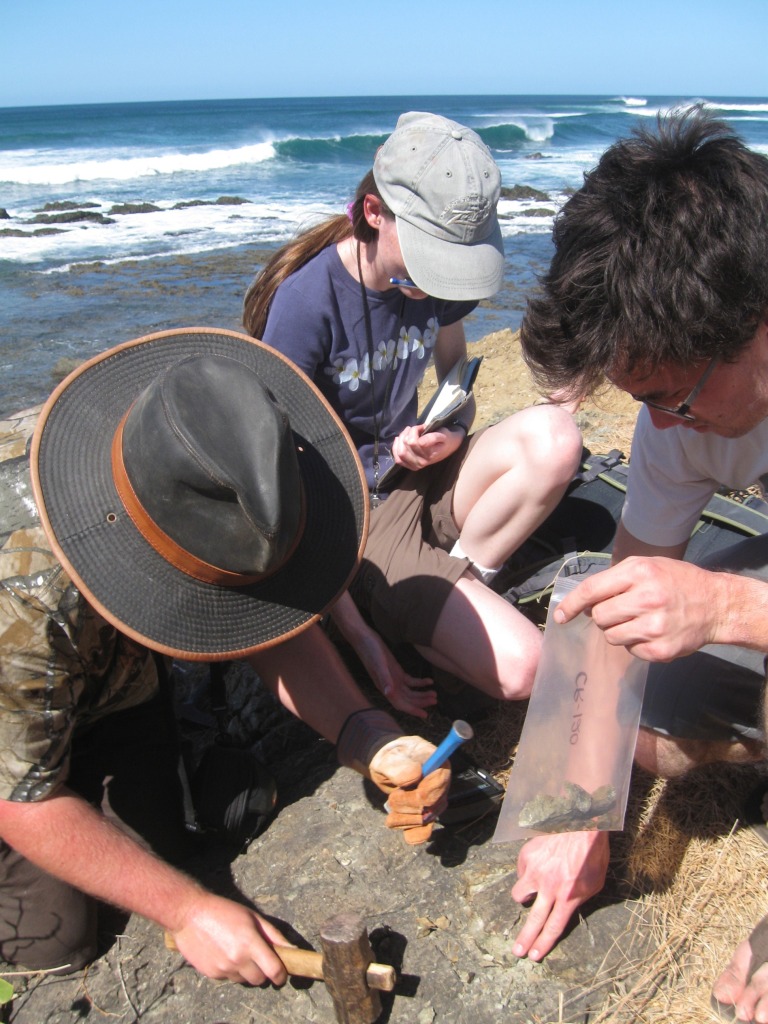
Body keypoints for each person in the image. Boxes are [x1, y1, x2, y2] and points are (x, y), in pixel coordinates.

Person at [0, 326, 452, 984]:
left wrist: (369, 734)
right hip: (19, 696)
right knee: (57, 941)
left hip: (115, 682)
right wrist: (186, 912)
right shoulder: (28, 598)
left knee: (180, 837)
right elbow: (22, 798)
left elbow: (268, 612)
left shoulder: (213, 458)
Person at [516, 109, 768, 1021]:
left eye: (671, 398)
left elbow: (725, 608)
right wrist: (579, 808)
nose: (655, 428)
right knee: (644, 734)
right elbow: (614, 612)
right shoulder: (675, 412)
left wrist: (729, 608)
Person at [243, 111, 582, 718]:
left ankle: (449, 586)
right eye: (430, 255)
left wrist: (448, 431)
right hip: (352, 516)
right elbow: (278, 491)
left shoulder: (434, 285)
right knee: (528, 665)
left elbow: (458, 378)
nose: (437, 280)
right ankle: (405, 609)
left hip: (417, 474)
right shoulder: (305, 304)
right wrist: (360, 639)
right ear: (374, 212)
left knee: (556, 437)